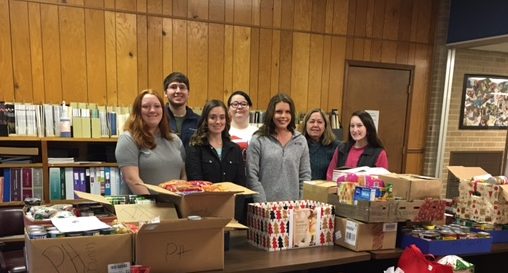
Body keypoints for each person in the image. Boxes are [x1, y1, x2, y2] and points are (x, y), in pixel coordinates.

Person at [115, 89, 186, 194]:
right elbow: (132, 179)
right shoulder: (128, 139)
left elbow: (183, 175)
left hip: (174, 206)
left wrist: (181, 201)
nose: (152, 110)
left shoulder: (175, 140)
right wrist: (153, 205)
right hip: (143, 207)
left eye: (157, 106)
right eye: (146, 106)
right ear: (138, 111)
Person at [246, 93, 311, 202]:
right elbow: (252, 176)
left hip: (294, 208)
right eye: (279, 112)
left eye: (288, 112)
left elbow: (305, 176)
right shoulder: (258, 139)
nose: (283, 116)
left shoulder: (301, 140)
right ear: (271, 113)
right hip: (263, 207)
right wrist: (262, 204)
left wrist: (300, 203)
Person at [186, 99, 245, 186]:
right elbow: (195, 184)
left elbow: (241, 185)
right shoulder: (195, 148)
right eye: (213, 117)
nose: (218, 122)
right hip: (204, 199)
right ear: (205, 120)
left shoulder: (235, 149)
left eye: (222, 117)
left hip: (232, 199)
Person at [326, 110, 388, 181]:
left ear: (368, 128)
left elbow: (382, 181)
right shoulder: (341, 149)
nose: (355, 130)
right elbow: (330, 174)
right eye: (352, 126)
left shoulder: (379, 153)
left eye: (359, 126)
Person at [299, 109, 340, 180]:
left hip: (324, 189)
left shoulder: (336, 146)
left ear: (325, 126)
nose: (315, 125)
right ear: (305, 124)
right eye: (312, 122)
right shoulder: (297, 144)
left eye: (319, 122)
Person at [163, 72, 200, 148]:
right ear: (165, 93)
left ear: (188, 93)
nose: (178, 91)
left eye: (182, 87)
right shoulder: (158, 119)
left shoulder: (199, 121)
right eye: (173, 87)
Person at [227, 90, 258, 157]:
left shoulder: (258, 132)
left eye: (243, 104)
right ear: (228, 108)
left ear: (250, 108)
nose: (239, 107)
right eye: (235, 104)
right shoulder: (223, 132)